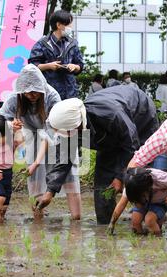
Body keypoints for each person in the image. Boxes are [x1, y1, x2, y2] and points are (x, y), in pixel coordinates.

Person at [36, 85, 159, 224]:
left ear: (79, 124)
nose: (67, 135)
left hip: (140, 117)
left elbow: (132, 145)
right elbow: (64, 158)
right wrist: (50, 191)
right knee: (103, 185)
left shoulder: (112, 115)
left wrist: (119, 177)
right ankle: (105, 223)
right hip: (108, 139)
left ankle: (150, 218)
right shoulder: (70, 125)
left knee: (139, 176)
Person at [0, 64, 81, 220]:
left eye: (35, 91)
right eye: (27, 92)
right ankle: (38, 217)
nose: (31, 95)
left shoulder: (52, 96)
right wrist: (10, 125)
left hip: (57, 134)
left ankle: (76, 218)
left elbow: (49, 134)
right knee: (34, 177)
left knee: (69, 174)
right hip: (33, 136)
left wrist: (37, 161)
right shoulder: (15, 98)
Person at [109, 168, 167, 236]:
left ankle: (157, 241)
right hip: (143, 202)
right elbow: (121, 204)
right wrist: (112, 223)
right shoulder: (130, 187)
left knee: (149, 220)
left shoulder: (160, 177)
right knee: (135, 220)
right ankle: (140, 242)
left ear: (148, 187)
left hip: (161, 201)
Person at [28, 10, 84, 100]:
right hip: (49, 92)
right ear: (58, 25)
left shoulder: (73, 43)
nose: (70, 27)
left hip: (70, 92)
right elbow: (32, 66)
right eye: (68, 24)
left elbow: (80, 65)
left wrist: (74, 67)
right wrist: (49, 66)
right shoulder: (42, 43)